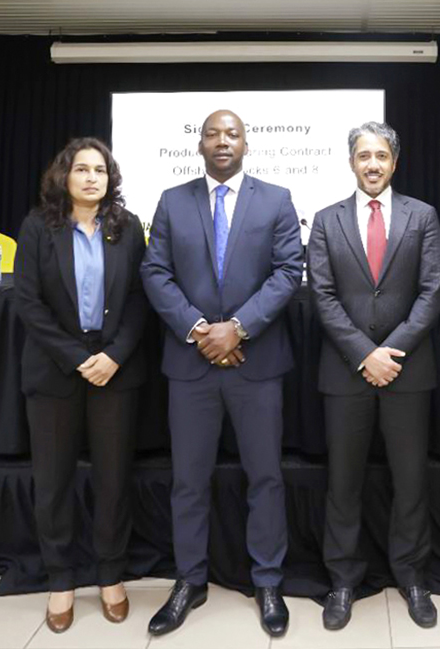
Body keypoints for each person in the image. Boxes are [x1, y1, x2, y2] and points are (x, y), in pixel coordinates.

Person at [141, 109, 303, 638]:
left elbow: (288, 271)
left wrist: (237, 328)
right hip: (191, 366)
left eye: (232, 133)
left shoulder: (276, 199)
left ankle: (268, 581)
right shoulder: (172, 201)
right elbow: (155, 272)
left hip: (257, 365)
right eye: (212, 133)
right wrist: (199, 331)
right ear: (200, 145)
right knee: (188, 481)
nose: (222, 141)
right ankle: (190, 580)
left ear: (246, 144)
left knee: (265, 478)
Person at [308, 121, 440, 630]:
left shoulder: (422, 216)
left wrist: (391, 351)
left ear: (394, 162)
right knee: (343, 483)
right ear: (351, 162)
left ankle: (412, 576)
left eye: (381, 156)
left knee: (410, 481)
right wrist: (365, 355)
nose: (372, 164)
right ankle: (342, 580)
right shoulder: (325, 220)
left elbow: (432, 291)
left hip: (408, 371)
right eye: (364, 155)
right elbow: (322, 295)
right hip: (346, 373)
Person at [14, 137, 148, 633]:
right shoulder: (38, 226)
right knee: (53, 482)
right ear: (63, 176)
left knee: (113, 479)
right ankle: (61, 579)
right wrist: (77, 358)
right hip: (56, 370)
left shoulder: (127, 227)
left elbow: (140, 299)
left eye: (100, 170)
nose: (92, 178)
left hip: (115, 368)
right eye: (82, 169)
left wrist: (113, 356)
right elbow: (29, 303)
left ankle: (111, 575)